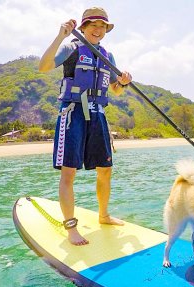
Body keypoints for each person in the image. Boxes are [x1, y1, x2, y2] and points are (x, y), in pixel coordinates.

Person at [39, 7, 132, 245]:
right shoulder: (72, 47)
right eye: (94, 25)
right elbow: (44, 66)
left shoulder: (107, 56)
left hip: (98, 113)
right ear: (83, 27)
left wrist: (123, 82)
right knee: (69, 172)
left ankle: (104, 215)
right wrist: (60, 35)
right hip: (73, 113)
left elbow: (114, 89)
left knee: (105, 169)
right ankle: (71, 227)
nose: (99, 30)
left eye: (103, 27)